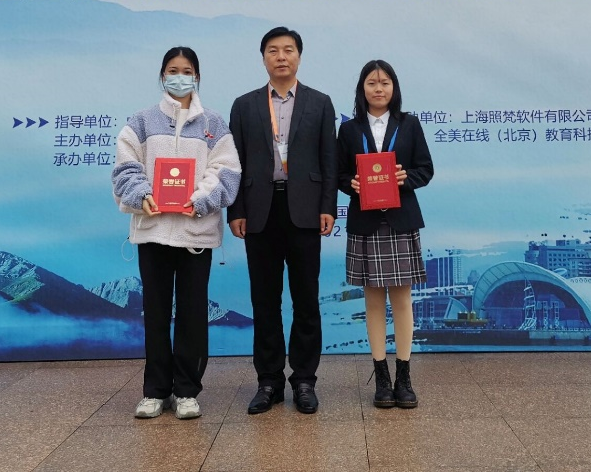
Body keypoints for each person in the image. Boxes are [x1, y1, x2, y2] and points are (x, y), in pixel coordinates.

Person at [111, 46, 241, 420]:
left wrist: (200, 200)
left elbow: (227, 171)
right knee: (154, 313)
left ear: (196, 77)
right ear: (162, 75)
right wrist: (143, 195)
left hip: (195, 234)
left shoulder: (214, 124)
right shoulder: (141, 121)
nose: (179, 77)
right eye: (172, 70)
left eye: (186, 71)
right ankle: (154, 391)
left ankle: (186, 391)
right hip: (152, 231)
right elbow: (125, 167)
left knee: (192, 313)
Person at [227, 27, 338, 415]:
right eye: (273, 50)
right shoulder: (244, 105)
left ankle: (305, 380)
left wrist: (328, 206)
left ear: (299, 57)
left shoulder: (320, 103)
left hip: (305, 210)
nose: (281, 56)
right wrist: (236, 210)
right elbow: (233, 163)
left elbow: (329, 160)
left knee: (306, 300)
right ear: (263, 58)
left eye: (288, 50)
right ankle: (269, 381)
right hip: (260, 211)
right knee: (265, 301)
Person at [337, 60, 433, 409]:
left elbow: (426, 168)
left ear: (394, 88)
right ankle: (381, 377)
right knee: (373, 302)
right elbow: (338, 173)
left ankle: (404, 377)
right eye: (372, 83)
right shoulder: (349, 129)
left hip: (400, 220)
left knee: (402, 300)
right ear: (362, 89)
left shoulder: (409, 124)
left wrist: (406, 179)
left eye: (385, 82)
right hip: (365, 221)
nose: (378, 89)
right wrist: (351, 183)